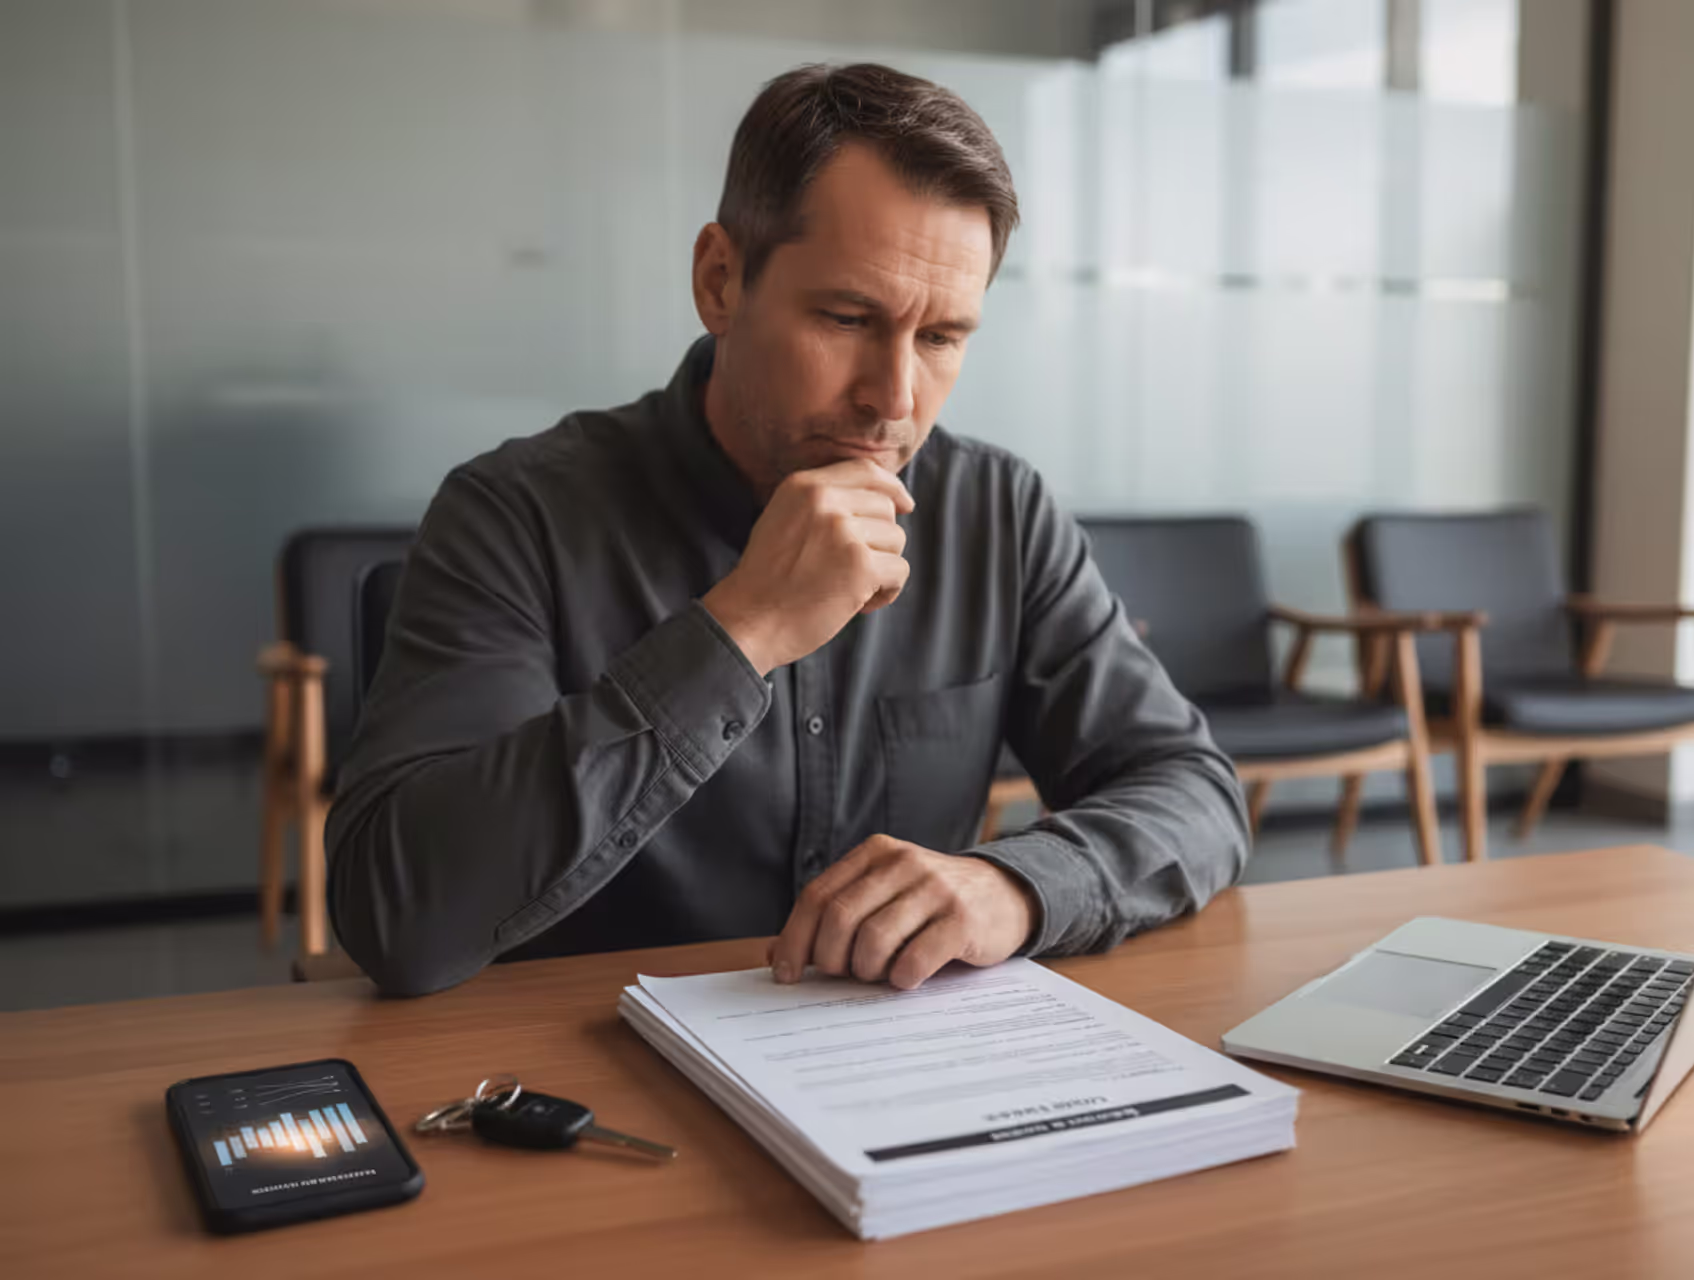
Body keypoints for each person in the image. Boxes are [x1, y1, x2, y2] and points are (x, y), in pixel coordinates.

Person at [326, 62, 1247, 997]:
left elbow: (1196, 792)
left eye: (941, 339)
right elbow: (400, 919)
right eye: (849, 317)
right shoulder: (513, 515)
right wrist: (742, 629)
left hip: (895, 1080)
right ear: (721, 281)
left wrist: (1016, 885)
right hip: (585, 1086)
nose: (894, 398)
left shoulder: (998, 512)